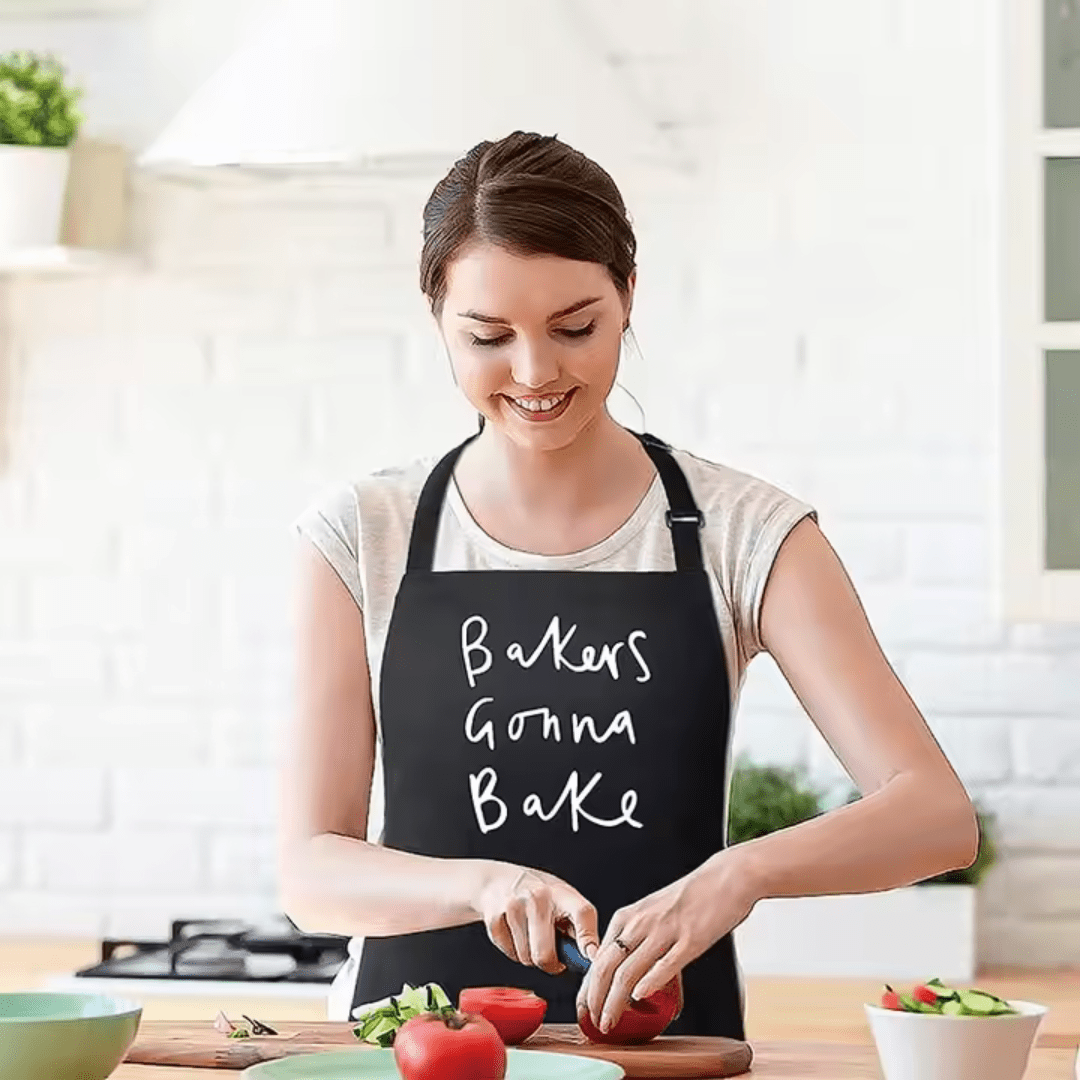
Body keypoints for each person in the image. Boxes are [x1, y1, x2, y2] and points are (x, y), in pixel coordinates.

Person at [281, 130, 979, 1040]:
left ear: (628, 299)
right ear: (437, 321)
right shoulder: (361, 534)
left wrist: (739, 874)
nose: (536, 373)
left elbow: (935, 814)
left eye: (577, 328)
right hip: (410, 1050)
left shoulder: (747, 533)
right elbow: (310, 873)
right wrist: (483, 882)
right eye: (488, 337)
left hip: (672, 1054)